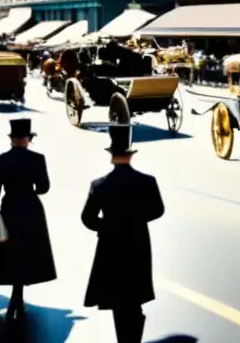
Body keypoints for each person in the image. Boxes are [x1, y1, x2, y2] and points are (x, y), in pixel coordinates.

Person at [82, 124, 165, 343]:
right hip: (138, 242)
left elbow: (87, 218)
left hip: (111, 246)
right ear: (130, 156)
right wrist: (136, 220)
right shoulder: (147, 182)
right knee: (135, 295)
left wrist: (107, 227)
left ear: (111, 156)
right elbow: (158, 210)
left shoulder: (99, 185)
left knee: (118, 299)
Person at [0, 118, 56, 321]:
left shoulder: (1, 160)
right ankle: (18, 295)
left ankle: (15, 295)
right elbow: (44, 188)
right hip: (31, 208)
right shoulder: (38, 159)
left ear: (12, 139)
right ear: (27, 139)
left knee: (10, 251)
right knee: (28, 251)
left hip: (9, 206)